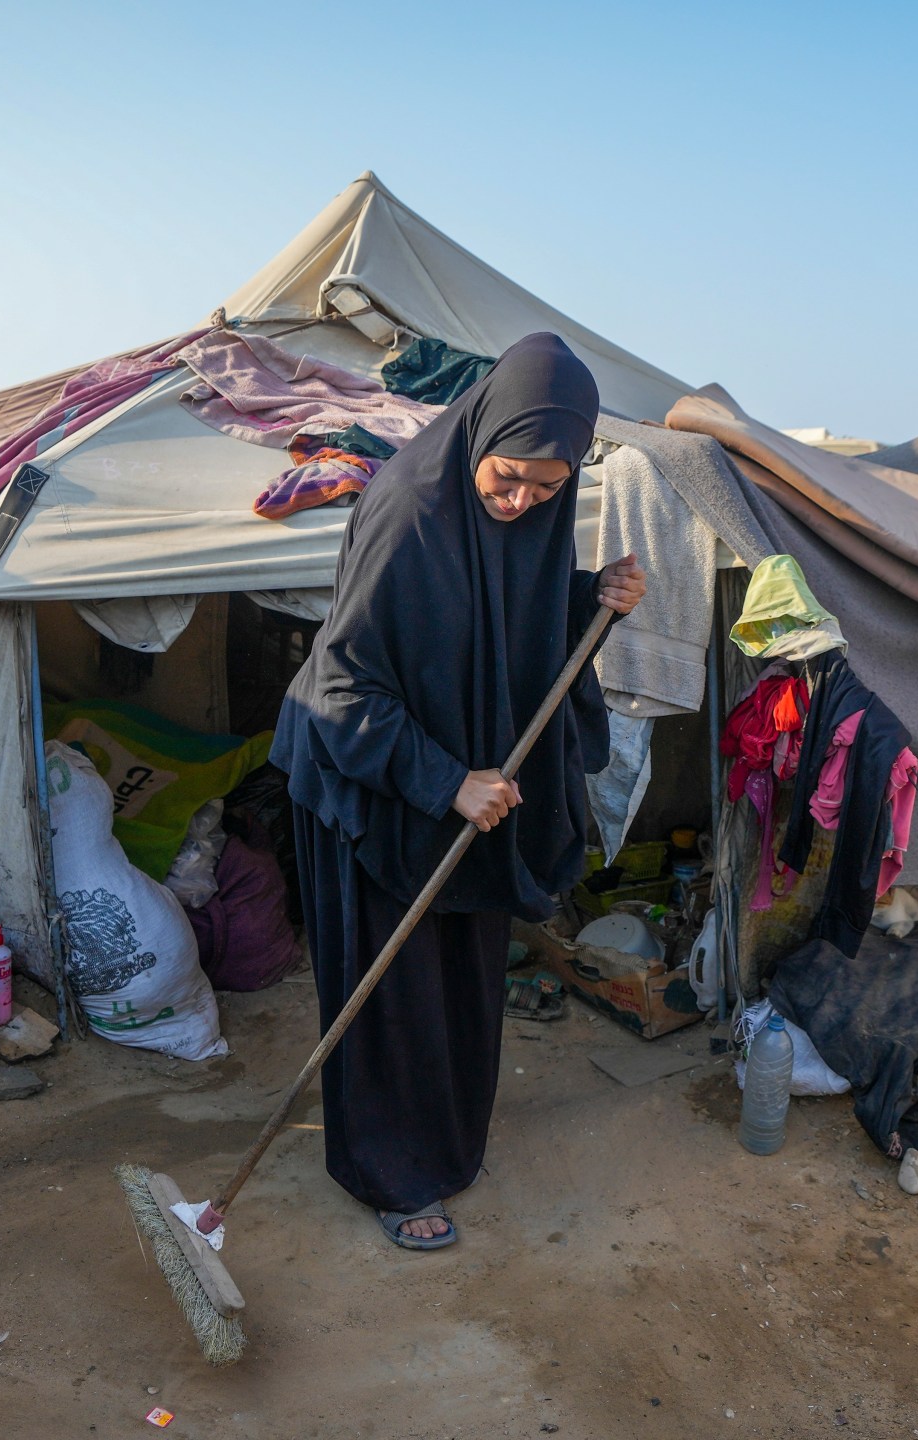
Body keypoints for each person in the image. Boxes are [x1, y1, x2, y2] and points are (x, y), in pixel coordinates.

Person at [272, 333, 645, 1248]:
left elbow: (504, 618)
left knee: (463, 980)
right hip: (371, 780)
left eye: (548, 489)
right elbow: (342, 687)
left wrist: (593, 597)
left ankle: (445, 1149)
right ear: (478, 439)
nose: (522, 503)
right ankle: (393, 1178)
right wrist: (447, 782)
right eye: (508, 480)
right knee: (394, 991)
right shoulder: (410, 512)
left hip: (469, 788)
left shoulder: (527, 517)